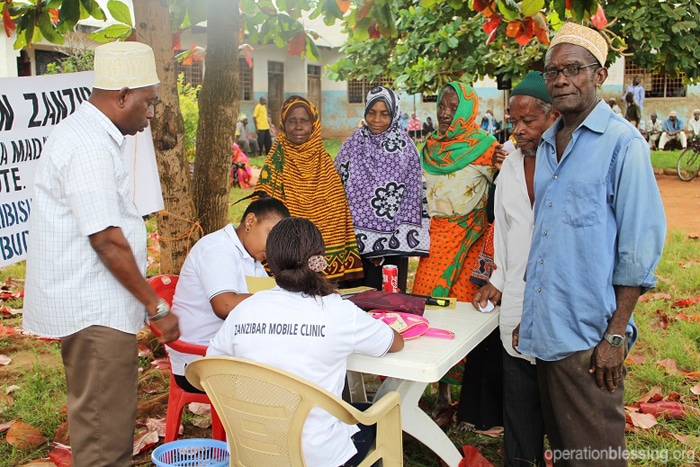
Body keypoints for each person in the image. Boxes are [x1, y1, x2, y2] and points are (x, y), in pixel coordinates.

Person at [22, 42, 180, 467]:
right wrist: (155, 305)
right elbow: (106, 239)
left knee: (104, 428)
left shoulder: (90, 134)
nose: (150, 115)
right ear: (123, 95)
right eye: (147, 103)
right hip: (95, 311)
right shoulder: (90, 146)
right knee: (103, 443)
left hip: (98, 305)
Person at [517, 23, 666, 465]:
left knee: (595, 455)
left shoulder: (624, 145)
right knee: (565, 451)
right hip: (549, 329)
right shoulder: (546, 144)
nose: (561, 79)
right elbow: (548, 237)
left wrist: (615, 336)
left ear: (599, 76)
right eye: (553, 71)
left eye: (574, 68)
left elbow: (637, 252)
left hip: (591, 338)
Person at [207, 217, 404, 467]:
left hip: (253, 449)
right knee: (374, 412)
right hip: (318, 458)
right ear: (319, 259)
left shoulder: (245, 310)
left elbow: (211, 365)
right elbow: (393, 342)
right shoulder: (338, 311)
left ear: (270, 261)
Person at [473, 72, 559, 467]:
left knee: (558, 398)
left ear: (554, 116)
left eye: (528, 122)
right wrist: (498, 280)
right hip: (517, 296)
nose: (518, 130)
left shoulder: (567, 166)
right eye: (513, 121)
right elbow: (504, 232)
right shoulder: (509, 168)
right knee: (519, 390)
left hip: (558, 298)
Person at [411, 82, 502, 427]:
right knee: (429, 311)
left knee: (464, 316)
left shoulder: (486, 148)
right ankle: (440, 394)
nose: (446, 113)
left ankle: (467, 401)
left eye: (453, 107)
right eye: (441, 106)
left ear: (467, 110)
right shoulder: (430, 147)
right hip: (435, 242)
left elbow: (502, 195)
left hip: (470, 242)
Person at [169, 195, 289, 392]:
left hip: (230, 352)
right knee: (289, 381)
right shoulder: (217, 249)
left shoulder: (251, 257)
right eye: (270, 235)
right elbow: (224, 305)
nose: (273, 247)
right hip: (199, 361)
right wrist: (280, 299)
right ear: (250, 221)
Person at [255, 95, 364, 283]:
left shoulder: (326, 164)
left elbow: (338, 211)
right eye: (292, 121)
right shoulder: (274, 165)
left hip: (328, 254)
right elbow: (263, 212)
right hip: (287, 257)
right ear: (283, 124)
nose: (298, 127)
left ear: (314, 125)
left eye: (304, 121)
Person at [334, 86, 430, 292]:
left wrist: (382, 246)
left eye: (384, 114)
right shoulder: (353, 143)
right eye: (372, 112)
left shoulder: (405, 149)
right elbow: (337, 185)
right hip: (351, 244)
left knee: (384, 303)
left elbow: (409, 200)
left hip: (389, 248)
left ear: (394, 114)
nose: (376, 119)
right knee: (352, 301)